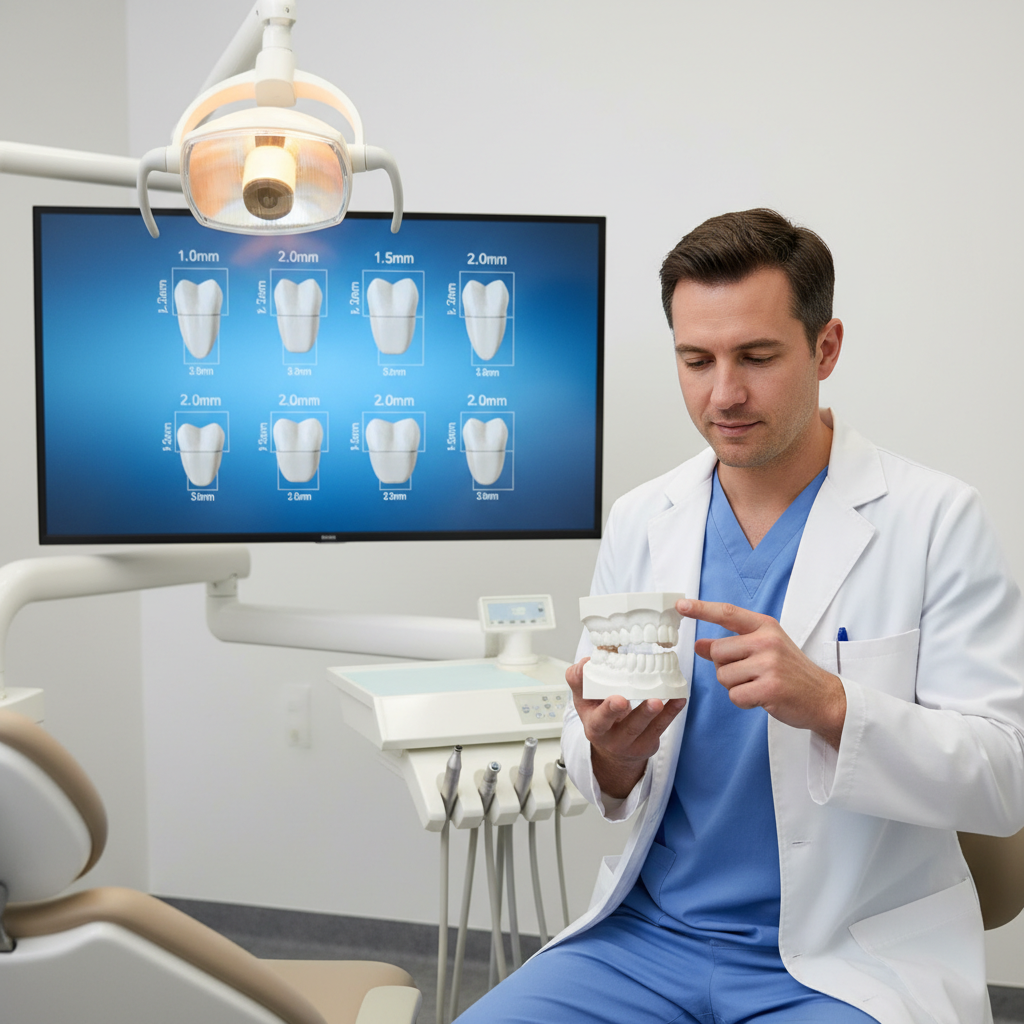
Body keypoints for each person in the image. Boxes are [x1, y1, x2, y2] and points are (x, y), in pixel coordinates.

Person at [456, 209, 1024, 1024]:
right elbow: (595, 767)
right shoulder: (643, 518)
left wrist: (832, 703)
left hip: (842, 955)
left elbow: (1006, 776)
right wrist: (611, 754)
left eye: (757, 357)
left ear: (826, 348)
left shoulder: (936, 519)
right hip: (647, 942)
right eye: (696, 360)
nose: (723, 394)